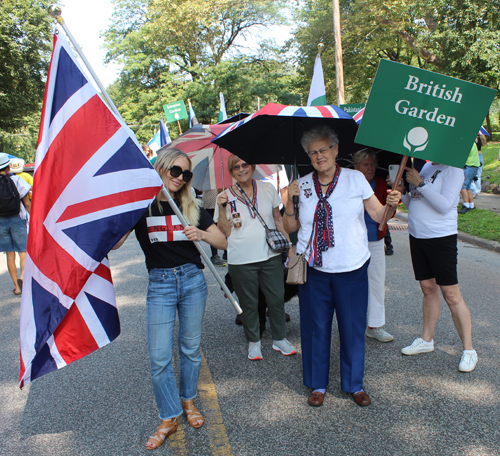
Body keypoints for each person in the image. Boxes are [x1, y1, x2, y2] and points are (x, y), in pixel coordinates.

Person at [113, 148, 227, 450]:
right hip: (160, 284)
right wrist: (128, 207)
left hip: (192, 280)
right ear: (161, 168)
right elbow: (115, 245)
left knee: (190, 350)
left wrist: (201, 235)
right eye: (175, 171)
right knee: (159, 357)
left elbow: (222, 240)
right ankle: (168, 415)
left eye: (185, 174)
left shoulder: (190, 205)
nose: (180, 178)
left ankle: (188, 402)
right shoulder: (142, 206)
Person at [283, 125, 401, 408]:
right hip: (315, 270)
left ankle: (354, 384)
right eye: (313, 152)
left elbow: (379, 216)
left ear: (336, 150)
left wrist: (392, 205)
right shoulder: (303, 184)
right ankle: (318, 384)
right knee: (315, 329)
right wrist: (289, 200)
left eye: (324, 149)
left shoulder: (355, 178)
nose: (319, 156)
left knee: (352, 327)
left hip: (351, 268)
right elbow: (291, 227)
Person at [397, 161, 477, 372]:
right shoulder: (426, 167)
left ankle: (469, 350)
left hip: (441, 238)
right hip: (417, 236)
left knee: (451, 294)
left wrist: (420, 184)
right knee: (427, 289)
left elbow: (445, 205)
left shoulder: (454, 169)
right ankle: (426, 340)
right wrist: (402, 193)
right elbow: (416, 202)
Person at [215, 154, 296, 361]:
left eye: (245, 165)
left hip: (269, 255)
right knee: (249, 303)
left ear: (252, 166)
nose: (241, 169)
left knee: (276, 298)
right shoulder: (224, 196)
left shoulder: (267, 188)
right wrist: (222, 207)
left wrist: (289, 246)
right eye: (235, 167)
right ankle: (254, 342)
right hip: (240, 260)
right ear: (231, 171)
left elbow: (278, 220)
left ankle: (280, 339)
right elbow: (224, 231)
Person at [353, 149, 394, 343]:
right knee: (352, 286)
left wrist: (393, 202)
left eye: (372, 164)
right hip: (352, 242)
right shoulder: (348, 184)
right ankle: (352, 324)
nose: (370, 168)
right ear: (355, 166)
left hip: (375, 240)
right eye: (365, 164)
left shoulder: (379, 184)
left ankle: (375, 326)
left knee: (376, 283)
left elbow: (388, 215)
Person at [0, 153, 31, 295]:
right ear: (8, 165)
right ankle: (23, 276)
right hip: (17, 219)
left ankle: (17, 287)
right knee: (22, 251)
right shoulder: (17, 180)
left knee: (9, 254)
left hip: (1, 222)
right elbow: (26, 203)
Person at [202, 189, 227, 266]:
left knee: (225, 225)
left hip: (222, 201)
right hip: (211, 203)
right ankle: (214, 255)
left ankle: (226, 252)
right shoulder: (209, 179)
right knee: (212, 229)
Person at [458, 143, 480, 214]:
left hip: (469, 166)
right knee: (468, 187)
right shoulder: (473, 143)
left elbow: (462, 154)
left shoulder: (467, 143)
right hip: (474, 166)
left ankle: (466, 205)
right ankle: (471, 205)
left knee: (463, 186)